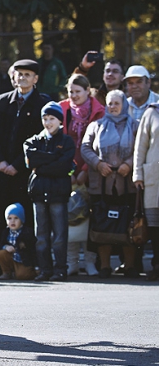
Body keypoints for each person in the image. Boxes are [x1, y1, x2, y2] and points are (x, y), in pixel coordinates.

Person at [0, 59, 49, 277]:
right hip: (0, 173)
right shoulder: (1, 102)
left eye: (28, 75)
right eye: (19, 74)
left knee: (26, 221)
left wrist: (18, 165)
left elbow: (41, 139)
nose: (23, 78)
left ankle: (27, 266)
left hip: (25, 174)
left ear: (36, 78)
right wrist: (1, 162)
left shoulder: (43, 105)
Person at [81, 90, 139, 278]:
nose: (112, 107)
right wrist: (98, 164)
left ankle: (130, 266)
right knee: (102, 224)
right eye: (109, 103)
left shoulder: (135, 126)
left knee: (127, 225)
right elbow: (85, 147)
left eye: (116, 103)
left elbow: (140, 147)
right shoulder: (96, 126)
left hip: (127, 184)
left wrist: (128, 164)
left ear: (124, 104)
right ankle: (105, 266)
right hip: (102, 184)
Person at [23, 102, 75, 281]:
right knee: (41, 236)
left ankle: (60, 269)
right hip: (39, 192)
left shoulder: (66, 141)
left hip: (58, 193)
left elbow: (64, 166)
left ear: (60, 121)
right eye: (45, 118)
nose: (48, 122)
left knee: (59, 235)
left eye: (52, 118)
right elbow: (30, 160)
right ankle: (45, 269)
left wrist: (42, 164)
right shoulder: (34, 141)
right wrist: (53, 159)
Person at [58, 74, 104, 276]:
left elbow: (98, 145)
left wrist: (85, 171)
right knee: (71, 216)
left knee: (90, 217)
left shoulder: (99, 112)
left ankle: (90, 261)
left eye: (78, 92)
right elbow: (60, 143)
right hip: (67, 169)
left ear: (88, 91)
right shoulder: (62, 109)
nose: (74, 96)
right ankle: (72, 262)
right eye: (71, 92)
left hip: (91, 170)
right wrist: (70, 171)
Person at [132, 102, 159, 281]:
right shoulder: (152, 112)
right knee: (154, 224)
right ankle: (157, 265)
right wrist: (137, 174)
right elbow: (140, 146)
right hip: (154, 178)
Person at [0, 203, 37, 280]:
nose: (13, 221)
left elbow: (32, 250)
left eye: (16, 218)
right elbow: (0, 244)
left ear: (21, 220)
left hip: (23, 260)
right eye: (9, 218)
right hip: (12, 258)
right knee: (2, 253)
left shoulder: (27, 232)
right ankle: (6, 272)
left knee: (22, 276)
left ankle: (31, 272)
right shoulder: (6, 232)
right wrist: (6, 247)